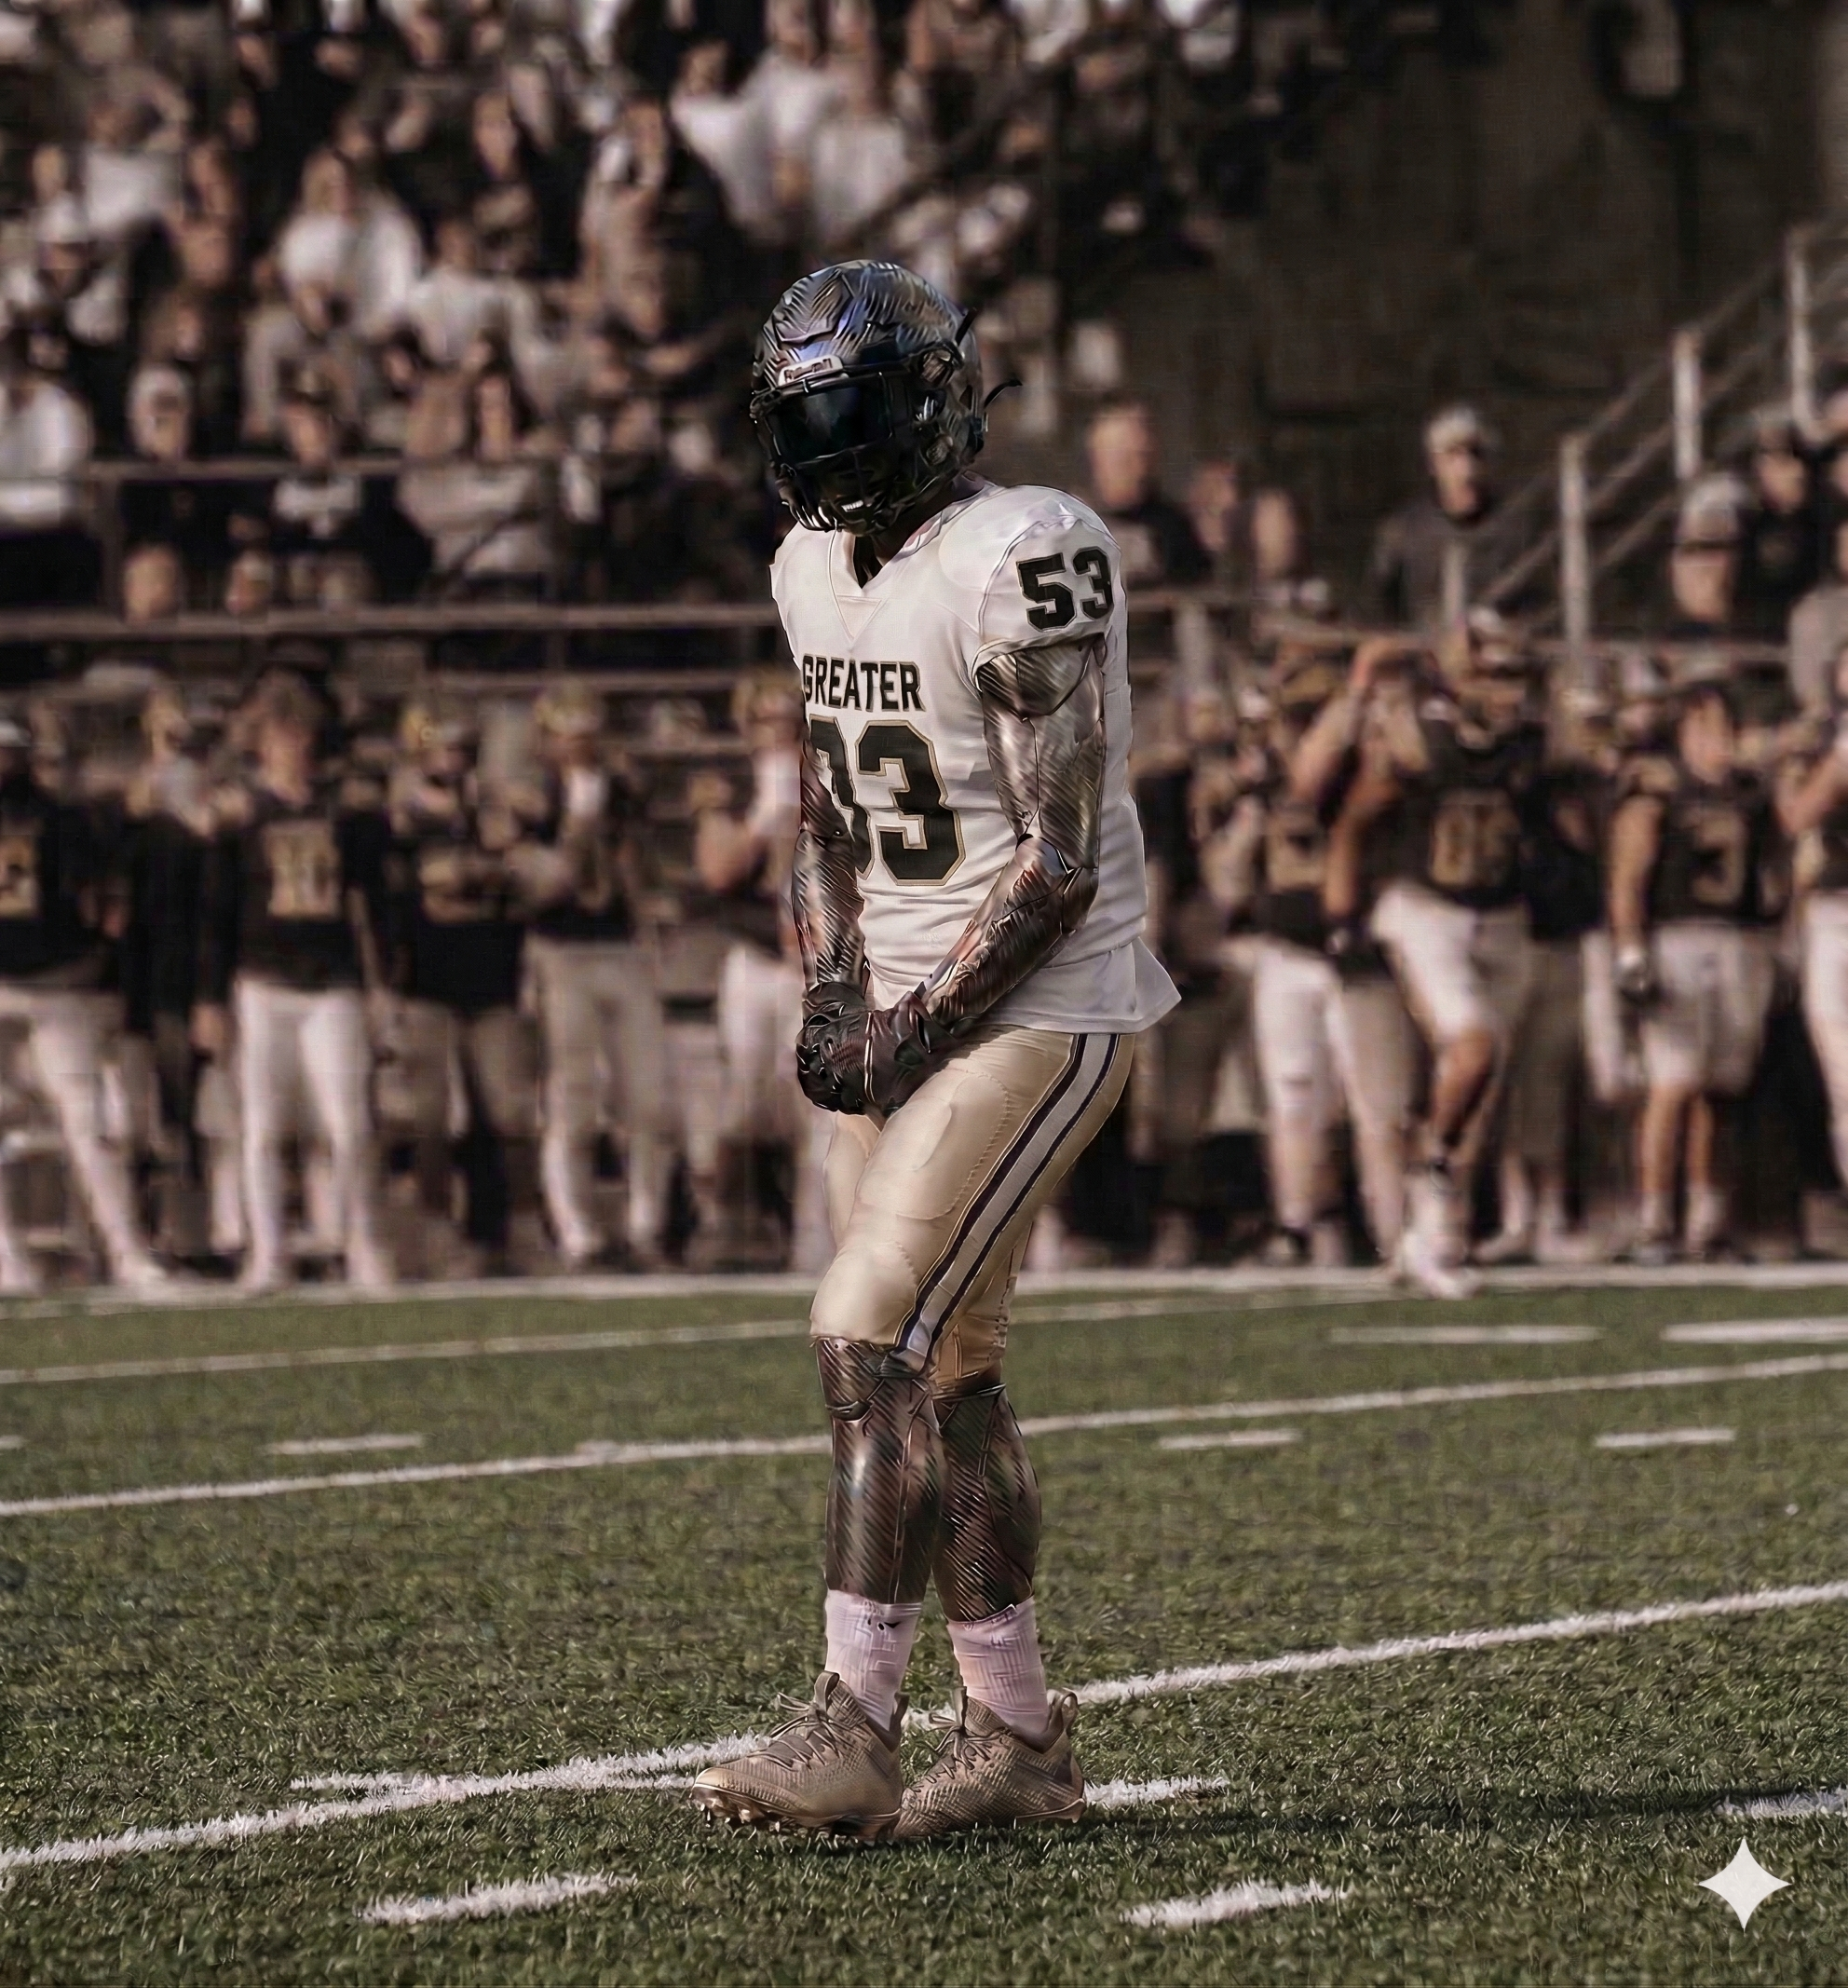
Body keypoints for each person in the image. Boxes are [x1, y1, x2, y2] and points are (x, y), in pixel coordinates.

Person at [692, 260, 1176, 1841]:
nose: (822, 444)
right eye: (799, 414)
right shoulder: (805, 566)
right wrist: (833, 989)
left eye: (842, 408)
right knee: (950, 1373)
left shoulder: (1025, 551)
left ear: (917, 398)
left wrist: (904, 1022)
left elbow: (1054, 861)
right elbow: (830, 812)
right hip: (908, 1011)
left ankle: (852, 1719)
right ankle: (1019, 1739)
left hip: (1039, 1010)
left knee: (864, 1337)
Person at [1323, 610, 1544, 1297]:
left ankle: (1433, 1238)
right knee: (1472, 1048)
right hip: (1427, 912)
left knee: (1481, 1083)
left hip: (1503, 916)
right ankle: (1430, 1177)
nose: (1508, 688)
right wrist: (1339, 912)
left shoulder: (1531, 739)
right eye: (1493, 672)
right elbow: (1354, 820)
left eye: (1515, 673)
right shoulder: (1422, 737)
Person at [195, 672, 396, 1293]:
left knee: (349, 1122)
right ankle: (269, 1250)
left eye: (300, 732)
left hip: (331, 980)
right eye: (280, 733)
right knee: (261, 1127)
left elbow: (369, 899)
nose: (292, 745)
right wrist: (209, 996)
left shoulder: (342, 812)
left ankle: (362, 1240)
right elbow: (216, 912)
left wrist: (378, 983)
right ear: (261, 741)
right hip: (262, 980)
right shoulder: (240, 817)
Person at [1609, 678, 1784, 1262]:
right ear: (1681, 733)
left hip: (1739, 939)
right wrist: (1631, 951)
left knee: (1724, 1089)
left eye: (1725, 727)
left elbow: (1772, 873)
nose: (1719, 741)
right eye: (1706, 728)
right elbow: (1628, 877)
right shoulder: (1658, 791)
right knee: (1673, 1083)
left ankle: (1709, 1221)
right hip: (1676, 939)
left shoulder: (1752, 794)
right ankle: (1655, 1219)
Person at [0, 709, 170, 1293]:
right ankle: (6, 1257)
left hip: (57, 984)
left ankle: (127, 1252)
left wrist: (94, 950)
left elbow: (109, 896)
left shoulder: (63, 819)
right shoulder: (65, 817)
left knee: (89, 1123)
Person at [511, 680, 669, 1269]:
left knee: (650, 1099)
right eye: (570, 737)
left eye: (587, 737)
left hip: (622, 950)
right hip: (561, 953)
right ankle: (577, 1232)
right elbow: (542, 886)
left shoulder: (622, 788)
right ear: (548, 740)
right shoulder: (531, 797)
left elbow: (640, 870)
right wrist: (579, 818)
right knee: (571, 1099)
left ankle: (645, 1226)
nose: (580, 749)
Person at [385, 693, 537, 1275]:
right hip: (427, 980)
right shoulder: (403, 815)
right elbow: (418, 878)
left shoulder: (491, 807)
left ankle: (518, 1231)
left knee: (508, 1114)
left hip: (492, 978)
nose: (453, 757)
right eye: (443, 746)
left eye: (460, 747)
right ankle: (435, 1232)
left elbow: (523, 870)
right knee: (431, 1118)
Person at [1371, 403, 1518, 633]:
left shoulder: (1511, 526)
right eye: (1453, 455)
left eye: (1476, 454)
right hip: (1420, 646)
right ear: (1434, 464)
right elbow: (1381, 605)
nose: (1467, 468)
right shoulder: (1405, 529)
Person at [1081, 399, 1209, 587]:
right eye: (1124, 458)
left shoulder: (1173, 526)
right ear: (1097, 458)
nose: (1139, 470)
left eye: (1143, 456)